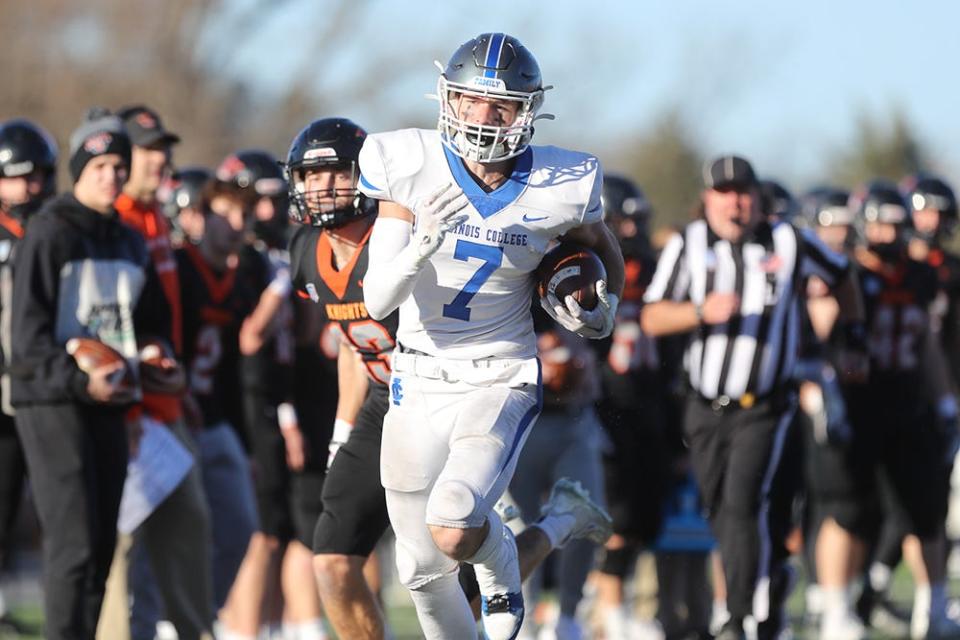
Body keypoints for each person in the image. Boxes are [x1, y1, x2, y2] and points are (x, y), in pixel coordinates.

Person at [287, 116, 614, 640]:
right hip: (382, 402)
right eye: (309, 175)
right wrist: (342, 433)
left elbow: (493, 297)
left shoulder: (411, 228)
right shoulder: (305, 250)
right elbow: (353, 347)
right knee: (335, 562)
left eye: (334, 174)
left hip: (451, 390)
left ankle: (556, 524)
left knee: (454, 551)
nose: (320, 189)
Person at [358, 32, 624, 639]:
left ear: (527, 113)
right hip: (418, 375)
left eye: (501, 106)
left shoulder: (563, 182)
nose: (484, 118)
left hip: (498, 373)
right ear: (446, 99)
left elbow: (604, 257)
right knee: (421, 570)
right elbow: (378, 301)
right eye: (472, 101)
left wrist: (602, 310)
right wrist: (419, 245)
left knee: (453, 519)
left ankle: (503, 568)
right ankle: (543, 535)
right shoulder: (406, 163)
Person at [641, 155, 864, 640]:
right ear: (709, 200)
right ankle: (762, 586)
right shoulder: (688, 244)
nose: (735, 203)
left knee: (744, 502)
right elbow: (653, 316)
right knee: (718, 507)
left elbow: (844, 277)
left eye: (744, 193)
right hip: (704, 404)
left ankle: (737, 616)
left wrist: (851, 337)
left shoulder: (789, 241)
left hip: (764, 404)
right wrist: (701, 311)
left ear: (759, 199)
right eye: (725, 193)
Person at [9, 108, 171, 640]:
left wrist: (157, 358)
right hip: (53, 399)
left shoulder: (128, 240)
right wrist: (83, 379)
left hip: (111, 401)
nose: (111, 175)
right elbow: (27, 342)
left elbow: (147, 326)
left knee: (102, 543)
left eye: (119, 165)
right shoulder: (49, 232)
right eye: (99, 164)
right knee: (73, 542)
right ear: (79, 169)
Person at [106, 103, 214, 640]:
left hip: (167, 409)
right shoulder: (118, 216)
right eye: (148, 149)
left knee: (190, 527)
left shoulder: (153, 216)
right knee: (124, 548)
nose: (160, 159)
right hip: (129, 409)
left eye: (162, 148)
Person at [176, 177, 261, 615]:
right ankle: (159, 620)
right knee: (176, 528)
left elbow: (236, 372)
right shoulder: (175, 266)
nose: (233, 224)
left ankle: (201, 616)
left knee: (240, 527)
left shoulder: (241, 282)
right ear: (200, 216)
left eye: (242, 216)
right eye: (224, 213)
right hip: (170, 419)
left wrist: (245, 442)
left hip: (216, 421)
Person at [0, 117, 57, 631]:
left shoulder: (55, 231)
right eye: (15, 176)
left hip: (44, 392)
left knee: (55, 511)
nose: (27, 187)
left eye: (36, 175)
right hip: (2, 398)